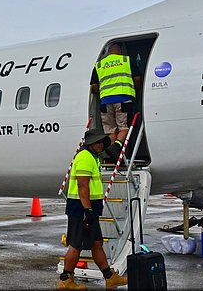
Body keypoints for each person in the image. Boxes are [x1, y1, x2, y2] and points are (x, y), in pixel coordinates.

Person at [58, 129, 128, 290]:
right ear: (90, 143)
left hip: (90, 206)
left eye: (102, 142)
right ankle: (65, 280)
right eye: (97, 142)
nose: (101, 145)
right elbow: (83, 186)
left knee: (97, 243)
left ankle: (109, 277)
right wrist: (87, 210)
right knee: (76, 245)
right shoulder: (84, 157)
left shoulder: (93, 157)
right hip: (81, 207)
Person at [90, 42, 142, 159]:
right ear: (119, 51)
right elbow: (138, 79)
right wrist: (134, 92)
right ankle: (117, 146)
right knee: (123, 127)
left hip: (105, 102)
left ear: (108, 52)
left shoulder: (99, 65)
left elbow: (93, 87)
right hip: (123, 99)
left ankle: (111, 153)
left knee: (110, 129)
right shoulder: (126, 61)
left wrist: (105, 91)